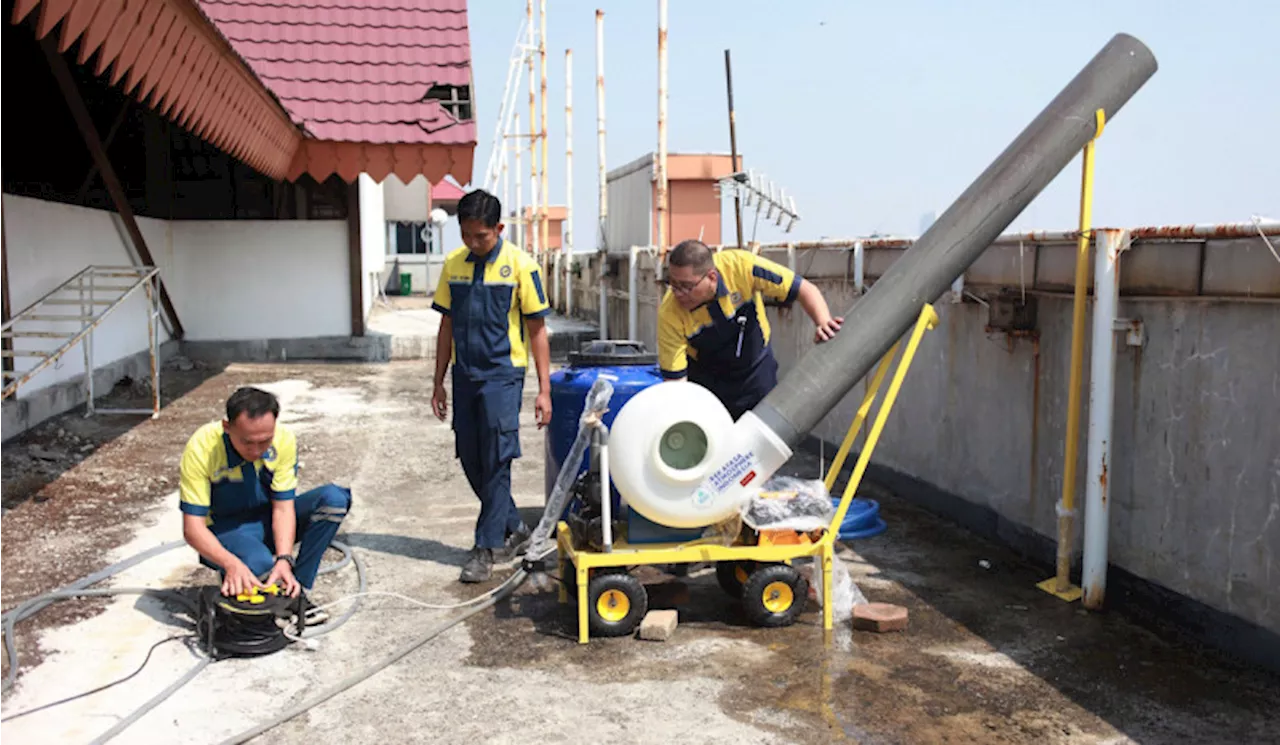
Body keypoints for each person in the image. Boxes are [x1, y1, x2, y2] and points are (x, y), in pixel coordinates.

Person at [431, 189, 553, 583]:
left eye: (481, 236)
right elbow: (445, 325)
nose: (473, 242)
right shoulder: (453, 266)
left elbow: (538, 330)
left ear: (499, 229)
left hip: (503, 375)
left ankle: (485, 548)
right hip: (464, 375)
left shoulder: (521, 266)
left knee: (497, 459)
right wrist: (438, 382)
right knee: (470, 457)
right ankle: (516, 527)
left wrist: (544, 389)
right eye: (466, 235)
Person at [179, 387, 352, 619]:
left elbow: (283, 507)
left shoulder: (283, 439)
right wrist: (230, 563)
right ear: (227, 427)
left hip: (268, 519)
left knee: (333, 500)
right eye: (248, 442)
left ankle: (296, 592)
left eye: (265, 441)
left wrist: (284, 558)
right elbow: (193, 529)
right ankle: (250, 570)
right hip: (227, 530)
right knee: (257, 565)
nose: (257, 450)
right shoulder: (203, 447)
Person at [657, 240, 843, 420]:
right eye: (672, 284)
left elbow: (803, 288)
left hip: (756, 369)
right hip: (708, 378)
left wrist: (823, 321)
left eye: (686, 286)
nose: (678, 293)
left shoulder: (742, 267)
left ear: (712, 277)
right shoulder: (669, 313)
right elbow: (676, 386)